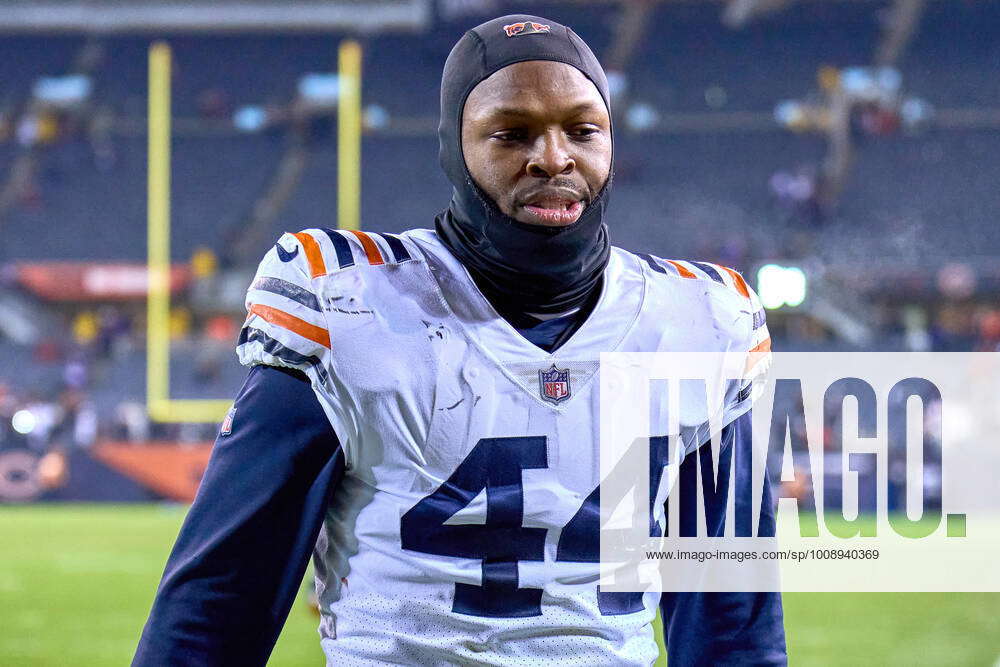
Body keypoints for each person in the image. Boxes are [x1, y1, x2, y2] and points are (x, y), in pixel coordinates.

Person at [133, 14, 785, 666]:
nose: (553, 158)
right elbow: (223, 599)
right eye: (512, 133)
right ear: (455, 148)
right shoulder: (351, 309)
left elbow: (731, 624)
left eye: (583, 130)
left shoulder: (702, 322)